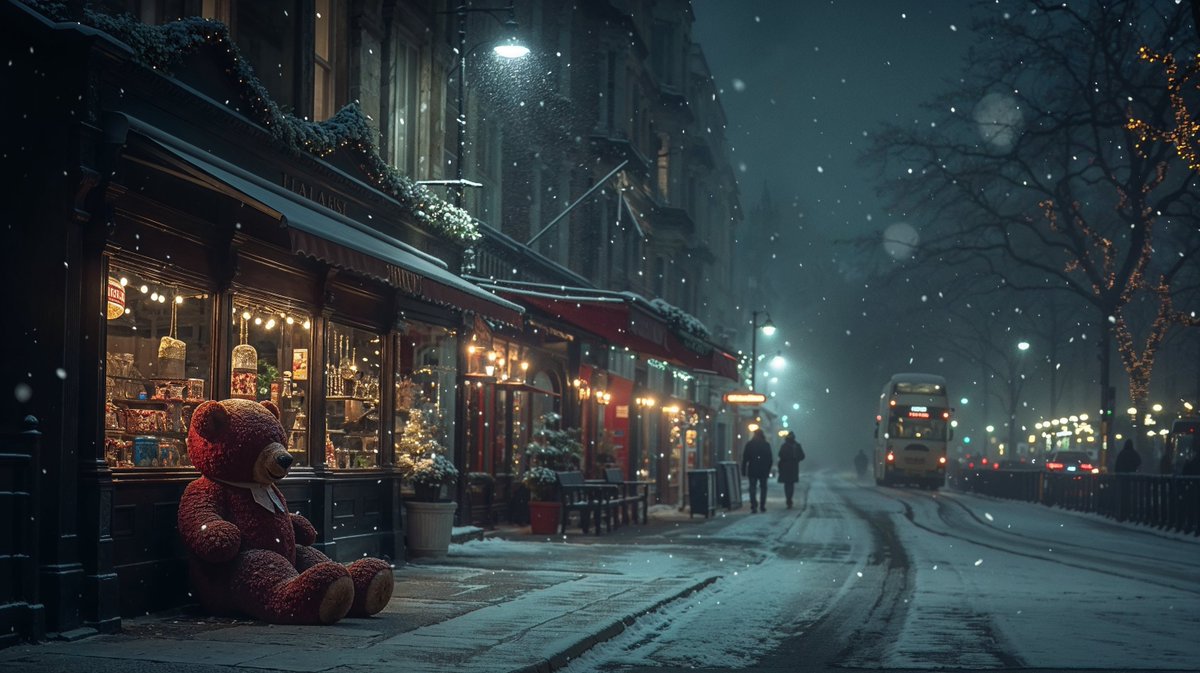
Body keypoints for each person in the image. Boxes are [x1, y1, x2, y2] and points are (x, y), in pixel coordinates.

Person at [742, 428, 773, 513]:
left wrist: (743, 470)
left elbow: (745, 458)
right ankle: (762, 505)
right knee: (763, 488)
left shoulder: (750, 444)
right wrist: (768, 469)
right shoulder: (766, 445)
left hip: (753, 469)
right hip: (763, 470)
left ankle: (754, 505)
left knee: (752, 488)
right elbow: (770, 459)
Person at [776, 431, 805, 508]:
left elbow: (780, 455)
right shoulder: (797, 446)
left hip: (785, 468)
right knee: (791, 485)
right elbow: (802, 456)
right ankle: (789, 499)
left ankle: (788, 499)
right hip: (793, 467)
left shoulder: (784, 446)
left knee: (787, 485)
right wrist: (796, 459)